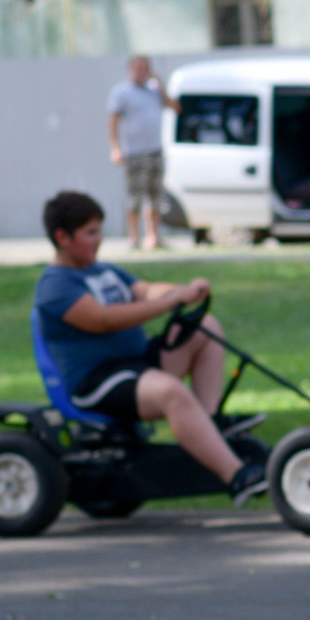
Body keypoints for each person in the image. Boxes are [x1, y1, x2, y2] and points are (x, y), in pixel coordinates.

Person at [34, 190, 264, 501]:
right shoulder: (55, 285)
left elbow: (145, 290)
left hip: (137, 364)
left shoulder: (103, 271)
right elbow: (104, 320)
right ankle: (237, 476)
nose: (99, 239)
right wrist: (171, 301)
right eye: (90, 232)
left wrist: (183, 291)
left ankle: (211, 426)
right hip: (96, 383)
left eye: (99, 230)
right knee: (170, 391)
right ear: (62, 237)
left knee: (205, 327)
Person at [106, 56, 176, 251]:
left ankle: (154, 237)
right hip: (134, 154)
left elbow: (174, 107)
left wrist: (160, 83)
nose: (141, 72)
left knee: (156, 197)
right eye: (137, 68)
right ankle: (134, 238)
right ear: (130, 70)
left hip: (155, 152)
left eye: (145, 68)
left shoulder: (155, 92)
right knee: (134, 197)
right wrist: (115, 148)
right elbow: (113, 122)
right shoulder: (121, 92)